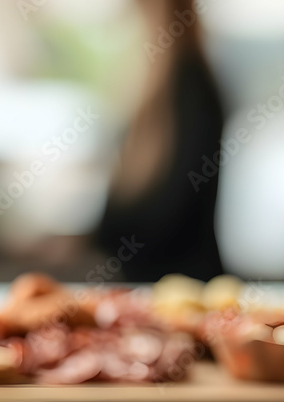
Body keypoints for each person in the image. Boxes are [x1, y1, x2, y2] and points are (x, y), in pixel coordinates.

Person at [95, 0, 225, 282]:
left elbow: (171, 219)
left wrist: (99, 241)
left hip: (184, 286)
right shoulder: (151, 99)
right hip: (148, 286)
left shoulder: (192, 91)